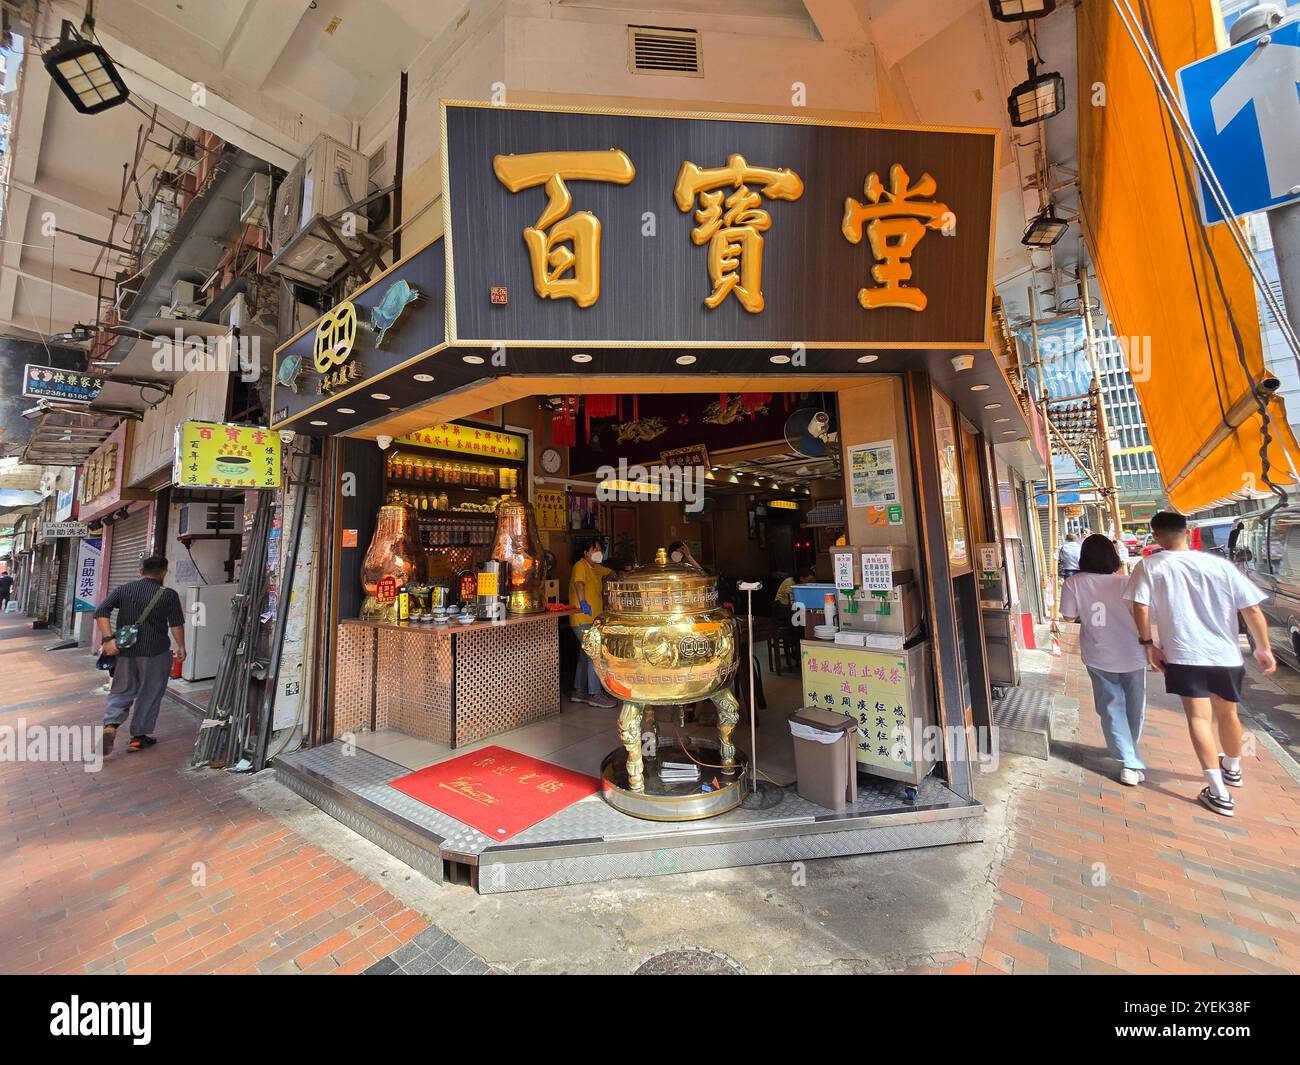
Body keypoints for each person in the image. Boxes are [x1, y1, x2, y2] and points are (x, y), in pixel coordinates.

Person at [1124, 511, 1275, 818]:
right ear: (1186, 530)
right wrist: (1264, 648)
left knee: (1199, 719)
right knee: (1228, 713)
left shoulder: (1150, 566)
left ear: (1155, 536)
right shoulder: (1220, 565)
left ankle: (1218, 792)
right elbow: (1252, 610)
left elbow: (1139, 607)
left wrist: (1148, 645)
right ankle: (1232, 766)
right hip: (1226, 655)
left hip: (1184, 653)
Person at [1060, 535, 1148, 786]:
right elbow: (1142, 614)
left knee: (1110, 707)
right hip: (1133, 652)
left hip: (1098, 653)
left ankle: (1127, 758)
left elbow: (1068, 616)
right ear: (1113, 556)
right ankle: (1129, 756)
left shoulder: (1073, 583)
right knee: (1135, 707)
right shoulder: (1127, 582)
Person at [93, 555, 186, 755]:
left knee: (121, 689)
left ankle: (111, 725)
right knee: (150, 693)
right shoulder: (168, 594)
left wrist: (109, 639)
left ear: (141, 571)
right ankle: (138, 737)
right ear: (164, 572)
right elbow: (176, 623)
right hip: (156, 651)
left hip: (125, 651)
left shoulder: (124, 590)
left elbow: (101, 611)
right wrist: (181, 646)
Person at [569, 539, 616, 709]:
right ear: (585, 552)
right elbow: (579, 584)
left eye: (600, 549)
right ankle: (594, 694)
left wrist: (613, 576)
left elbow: (611, 573)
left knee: (584, 656)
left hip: (593, 620)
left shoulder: (595, 568)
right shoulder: (580, 565)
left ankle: (579, 691)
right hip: (582, 619)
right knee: (595, 654)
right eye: (594, 549)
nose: (598, 552)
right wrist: (583, 603)